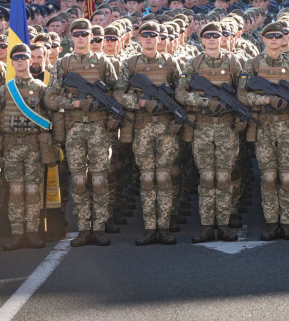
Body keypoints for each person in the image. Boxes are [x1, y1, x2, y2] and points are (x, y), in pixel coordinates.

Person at [45, 18, 118, 247]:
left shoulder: (104, 62)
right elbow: (50, 97)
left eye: (85, 34)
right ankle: (84, 229)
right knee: (78, 181)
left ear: (90, 36)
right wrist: (75, 104)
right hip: (74, 128)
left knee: (99, 180)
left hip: (98, 128)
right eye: (76, 34)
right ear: (71, 37)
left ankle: (99, 227)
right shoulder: (64, 64)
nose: (81, 38)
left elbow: (115, 95)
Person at [114, 22, 183, 246]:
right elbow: (118, 95)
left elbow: (180, 93)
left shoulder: (171, 62)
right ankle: (149, 228)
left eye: (155, 35)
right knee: (146, 179)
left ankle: (163, 227)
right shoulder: (130, 64)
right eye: (146, 35)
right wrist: (141, 102)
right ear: (139, 38)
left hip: (165, 128)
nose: (151, 39)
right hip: (142, 126)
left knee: (163, 178)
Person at [175, 22, 243, 244]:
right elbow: (181, 93)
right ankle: (206, 226)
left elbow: (242, 94)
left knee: (223, 178)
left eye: (216, 35)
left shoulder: (233, 62)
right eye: (208, 36)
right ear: (202, 40)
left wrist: (231, 106)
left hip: (226, 128)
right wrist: (204, 101)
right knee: (206, 178)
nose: (213, 39)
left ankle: (223, 224)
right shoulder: (193, 63)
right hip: (203, 127)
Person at [237, 23, 289, 241]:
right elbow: (243, 95)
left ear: (284, 39)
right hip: (264, 125)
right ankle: (272, 223)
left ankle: (287, 222)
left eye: (278, 36)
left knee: (287, 176)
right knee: (268, 176)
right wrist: (266, 99)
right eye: (270, 36)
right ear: (263, 40)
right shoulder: (253, 64)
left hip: (287, 126)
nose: (274, 40)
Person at [1, 44, 55, 251]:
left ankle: (32, 232)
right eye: (17, 58)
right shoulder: (5, 90)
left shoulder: (42, 89)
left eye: (25, 57)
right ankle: (17, 233)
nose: (21, 60)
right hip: (11, 147)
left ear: (30, 60)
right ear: (12, 62)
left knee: (33, 191)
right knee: (15, 191)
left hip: (34, 147)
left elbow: (52, 114)